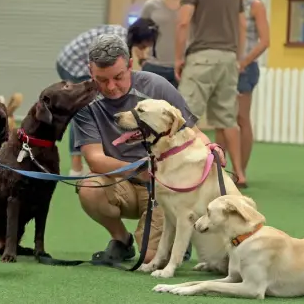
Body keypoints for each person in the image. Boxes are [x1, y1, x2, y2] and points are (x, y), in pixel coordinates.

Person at [72, 33, 226, 264]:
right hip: (122, 181)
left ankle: (174, 241)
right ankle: (121, 240)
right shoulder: (85, 101)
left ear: (131, 65)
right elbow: (95, 159)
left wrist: (211, 146)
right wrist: (142, 168)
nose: (111, 87)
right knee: (89, 187)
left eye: (118, 77)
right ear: (90, 71)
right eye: (101, 80)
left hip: (163, 187)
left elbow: (191, 131)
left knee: (150, 259)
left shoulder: (156, 86)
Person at [174, 0, 248, 187]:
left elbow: (184, 22)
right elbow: (241, 25)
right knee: (227, 118)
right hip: (228, 57)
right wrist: (238, 56)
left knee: (186, 114)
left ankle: (183, 167)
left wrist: (178, 57)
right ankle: (239, 173)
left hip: (202, 56)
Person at [56, 23, 159, 177]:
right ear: (140, 39)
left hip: (74, 60)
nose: (145, 50)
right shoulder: (118, 43)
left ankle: (96, 159)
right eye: (145, 45)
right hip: (73, 65)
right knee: (83, 108)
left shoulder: (123, 39)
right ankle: (76, 168)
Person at [229, 0, 270, 175]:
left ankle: (241, 170)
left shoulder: (255, 5)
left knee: (241, 117)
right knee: (224, 118)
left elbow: (265, 41)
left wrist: (243, 62)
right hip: (226, 65)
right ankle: (223, 167)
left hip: (246, 68)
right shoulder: (227, 3)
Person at [139, 0, 184, 88]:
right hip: (156, 68)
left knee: (181, 107)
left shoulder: (190, 5)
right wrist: (142, 60)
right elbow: (137, 36)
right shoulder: (151, 5)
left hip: (183, 68)